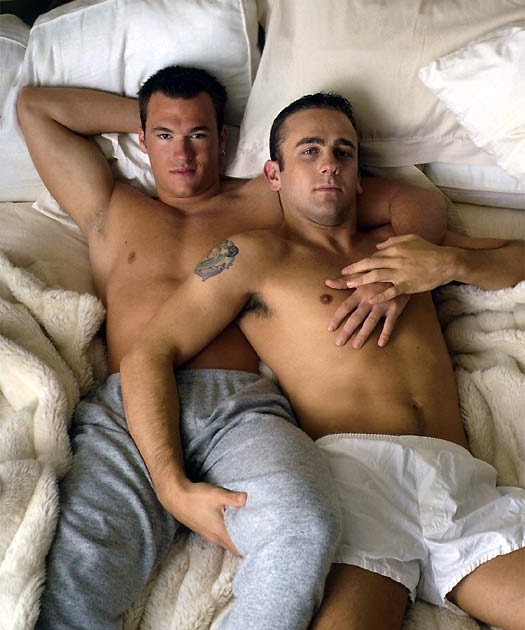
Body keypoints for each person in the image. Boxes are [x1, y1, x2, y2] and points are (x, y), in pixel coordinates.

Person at [17, 66, 450, 629]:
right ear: (142, 139)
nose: (183, 153)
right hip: (129, 409)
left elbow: (416, 204)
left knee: (304, 524)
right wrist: (155, 115)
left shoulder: (268, 199)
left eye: (198, 134)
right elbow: (34, 107)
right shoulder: (109, 208)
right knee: (76, 578)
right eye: (164, 136)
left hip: (238, 409)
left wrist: (402, 271)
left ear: (223, 139)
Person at [120, 92, 525, 630]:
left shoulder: (405, 248)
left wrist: (447, 263)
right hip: (355, 484)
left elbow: (516, 257)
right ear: (274, 174)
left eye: (343, 152)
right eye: (309, 151)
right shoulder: (251, 256)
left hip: (459, 483)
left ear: (358, 178)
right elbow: (149, 353)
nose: (329, 163)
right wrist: (171, 487)